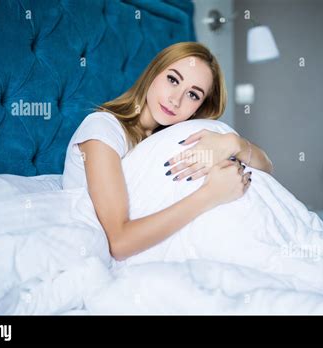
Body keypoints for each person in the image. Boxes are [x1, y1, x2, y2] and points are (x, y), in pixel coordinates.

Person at [62, 42, 274, 261]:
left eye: (193, 95)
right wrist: (210, 195)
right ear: (153, 73)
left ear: (198, 108)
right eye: (172, 80)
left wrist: (233, 143)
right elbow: (118, 243)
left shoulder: (164, 140)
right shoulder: (102, 128)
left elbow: (267, 166)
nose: (176, 100)